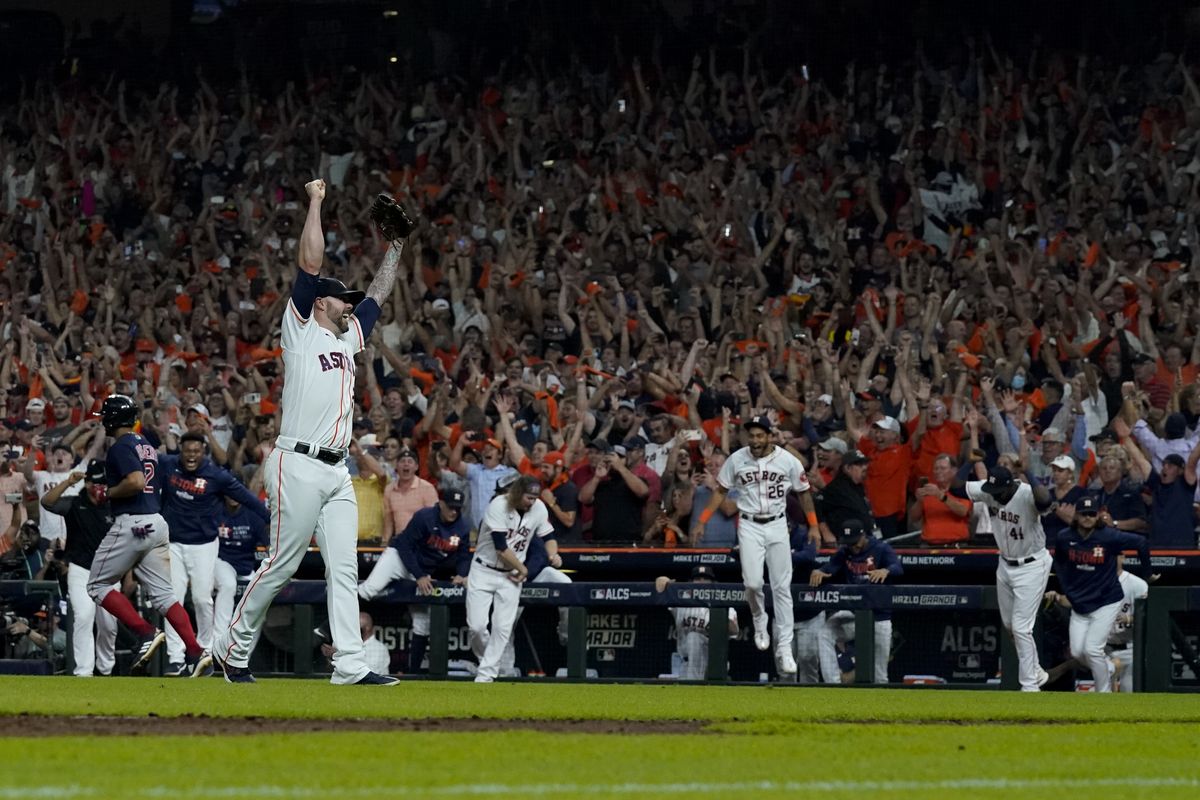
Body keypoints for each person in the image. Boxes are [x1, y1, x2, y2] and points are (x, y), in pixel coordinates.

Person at [213, 178, 409, 686]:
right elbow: (310, 264)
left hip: (337, 471)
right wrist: (316, 202)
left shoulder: (347, 341)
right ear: (321, 304)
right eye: (342, 301)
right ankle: (231, 650)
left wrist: (397, 247)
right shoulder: (301, 329)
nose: (350, 305)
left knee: (344, 569)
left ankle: (350, 665)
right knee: (281, 564)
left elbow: (379, 295)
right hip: (295, 463)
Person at [85, 394, 211, 677]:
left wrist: (109, 493)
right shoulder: (147, 445)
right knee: (165, 595)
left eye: (105, 416)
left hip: (133, 522)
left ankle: (144, 632)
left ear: (113, 418)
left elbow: (136, 481)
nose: (103, 421)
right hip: (156, 521)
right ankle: (194, 650)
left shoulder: (120, 446)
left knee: (96, 585)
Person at [692, 415, 819, 678]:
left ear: (770, 436)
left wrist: (814, 525)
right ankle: (760, 621)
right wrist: (702, 520)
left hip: (777, 525)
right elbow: (720, 491)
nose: (755, 440)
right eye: (752, 435)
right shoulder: (737, 458)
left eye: (760, 435)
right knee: (752, 583)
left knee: (782, 587)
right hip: (749, 525)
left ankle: (784, 647)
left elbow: (804, 492)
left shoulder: (787, 460)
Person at [161, 432, 269, 675]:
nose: (191, 456)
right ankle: (176, 657)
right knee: (173, 600)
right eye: (187, 451)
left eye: (196, 451)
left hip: (204, 545)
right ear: (181, 450)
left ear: (203, 452)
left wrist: (271, 517)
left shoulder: (216, 475)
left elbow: (247, 499)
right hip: (173, 544)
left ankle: (206, 651)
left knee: (202, 599)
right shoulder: (168, 465)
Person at [954, 465, 1053, 691]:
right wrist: (967, 460)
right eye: (992, 489)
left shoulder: (1027, 493)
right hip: (1005, 563)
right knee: (1010, 626)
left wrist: (1029, 471)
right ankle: (1036, 671)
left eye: (999, 490)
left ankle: (1029, 687)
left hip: (1032, 564)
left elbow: (1046, 501)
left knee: (1021, 628)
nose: (994, 494)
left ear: (1010, 485)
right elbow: (957, 488)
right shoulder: (990, 489)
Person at [357, 489, 469, 673]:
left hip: (421, 569)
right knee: (368, 590)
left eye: (457, 508)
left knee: (423, 622)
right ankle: (326, 628)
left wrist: (461, 573)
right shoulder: (424, 517)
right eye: (450, 507)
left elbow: (464, 555)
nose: (454, 512)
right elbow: (405, 546)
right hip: (399, 559)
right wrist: (419, 576)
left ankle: (413, 673)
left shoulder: (463, 526)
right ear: (440, 503)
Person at [1051, 495, 1151, 693]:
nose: (1087, 517)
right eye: (1083, 514)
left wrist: (1147, 573)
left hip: (1106, 600)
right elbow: (1060, 563)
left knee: (1092, 649)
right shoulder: (1065, 537)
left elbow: (1141, 542)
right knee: (1078, 652)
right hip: (1080, 603)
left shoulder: (1109, 536)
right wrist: (1066, 588)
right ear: (1076, 516)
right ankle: (1110, 667)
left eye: (1091, 513)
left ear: (1098, 516)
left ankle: (1102, 694)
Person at [467, 475, 556, 683]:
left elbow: (549, 538)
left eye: (535, 497)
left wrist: (552, 554)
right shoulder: (498, 505)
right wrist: (523, 569)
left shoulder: (539, 508)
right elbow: (501, 547)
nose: (532, 501)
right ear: (516, 492)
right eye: (528, 497)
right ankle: (487, 660)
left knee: (502, 627)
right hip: (484, 570)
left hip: (511, 577)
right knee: (477, 627)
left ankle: (486, 675)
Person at [39, 459, 117, 677]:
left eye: (103, 483)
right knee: (83, 617)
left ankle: (106, 668)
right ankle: (83, 672)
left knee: (109, 625)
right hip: (81, 569)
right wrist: (67, 482)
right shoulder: (75, 502)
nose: (99, 488)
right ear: (88, 483)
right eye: (95, 483)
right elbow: (47, 503)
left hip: (110, 572)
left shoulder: (115, 503)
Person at [809, 518, 903, 683]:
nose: (853, 546)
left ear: (863, 536)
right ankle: (833, 684)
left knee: (879, 675)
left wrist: (886, 571)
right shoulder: (845, 551)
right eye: (849, 543)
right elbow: (829, 568)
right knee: (825, 633)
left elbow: (898, 567)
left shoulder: (880, 548)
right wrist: (820, 572)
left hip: (879, 617)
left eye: (855, 542)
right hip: (853, 614)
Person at [655, 565, 738, 680]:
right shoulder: (682, 600)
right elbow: (659, 584)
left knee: (694, 637)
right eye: (698, 579)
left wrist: (721, 618)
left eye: (706, 579)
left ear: (713, 583)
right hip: (686, 665)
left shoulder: (723, 602)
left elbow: (734, 631)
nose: (702, 582)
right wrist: (669, 584)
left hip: (713, 666)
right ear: (691, 582)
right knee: (693, 637)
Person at [213, 495, 270, 654]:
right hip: (220, 562)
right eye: (229, 492)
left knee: (259, 608)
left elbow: (267, 546)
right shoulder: (216, 512)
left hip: (246, 568)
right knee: (228, 585)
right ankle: (217, 644)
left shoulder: (252, 516)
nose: (232, 497)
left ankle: (241, 656)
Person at [1106, 556, 1150, 693]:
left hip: (1130, 649)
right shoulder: (1096, 581)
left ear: (1122, 557)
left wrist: (1130, 619)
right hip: (1104, 649)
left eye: (1115, 554)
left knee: (1128, 693)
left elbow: (1151, 615)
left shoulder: (1137, 584)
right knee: (1102, 697)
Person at [910, 454, 972, 546]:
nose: (938, 471)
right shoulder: (928, 490)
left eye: (942, 468)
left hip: (956, 546)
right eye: (936, 468)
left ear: (954, 471)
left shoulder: (963, 489)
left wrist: (940, 495)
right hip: (929, 546)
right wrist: (919, 501)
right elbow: (914, 518)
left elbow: (962, 511)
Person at [382, 446, 438, 538]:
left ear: (416, 467)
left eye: (410, 461)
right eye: (402, 461)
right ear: (396, 466)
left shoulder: (427, 488)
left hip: (422, 542)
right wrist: (384, 544)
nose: (406, 464)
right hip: (399, 541)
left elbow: (434, 520)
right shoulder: (389, 489)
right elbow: (388, 522)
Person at [321, 612, 391, 677]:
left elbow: (367, 673)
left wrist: (339, 656)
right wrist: (332, 657)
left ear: (367, 628)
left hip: (374, 687)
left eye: (357, 627)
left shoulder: (379, 648)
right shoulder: (350, 644)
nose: (354, 631)